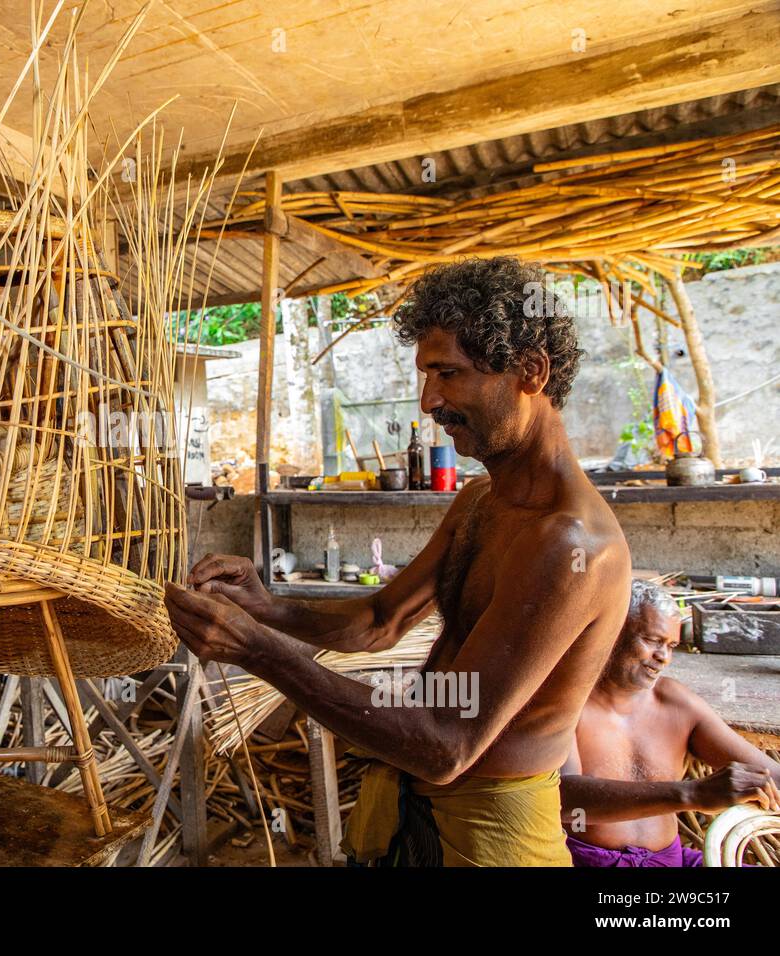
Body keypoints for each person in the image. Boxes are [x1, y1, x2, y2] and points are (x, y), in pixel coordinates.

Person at [167, 257, 631, 866]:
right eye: (425, 375)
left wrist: (257, 649)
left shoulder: (571, 546)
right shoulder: (478, 502)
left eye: (448, 374)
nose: (429, 400)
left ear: (531, 372)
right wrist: (267, 607)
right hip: (409, 810)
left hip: (492, 834)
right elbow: (380, 620)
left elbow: (448, 747)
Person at [561, 579, 780, 866]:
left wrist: (762, 784)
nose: (663, 657)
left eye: (671, 645)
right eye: (652, 640)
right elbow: (567, 800)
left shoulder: (673, 701)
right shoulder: (567, 703)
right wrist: (692, 794)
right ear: (612, 633)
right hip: (587, 861)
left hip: (670, 859)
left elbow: (770, 775)